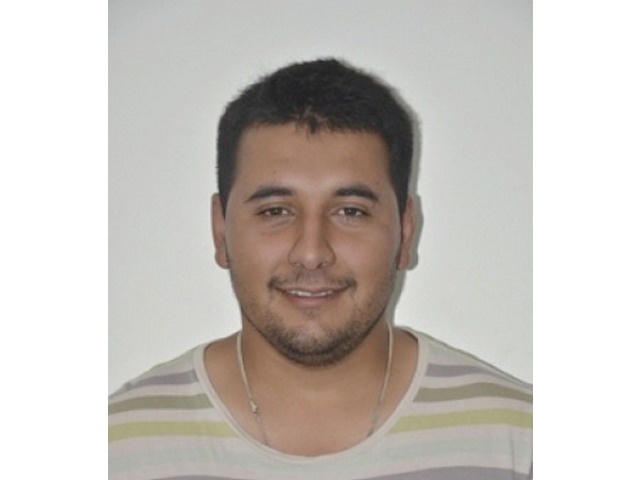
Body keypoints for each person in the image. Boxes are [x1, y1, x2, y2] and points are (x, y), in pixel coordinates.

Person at [109, 58, 532, 479]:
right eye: (276, 211)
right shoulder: (118, 449)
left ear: (405, 233)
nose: (311, 253)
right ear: (221, 231)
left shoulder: (520, 445)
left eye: (351, 211)